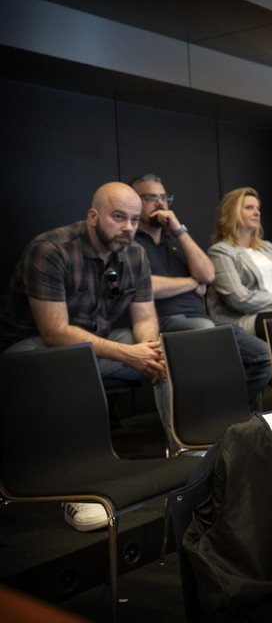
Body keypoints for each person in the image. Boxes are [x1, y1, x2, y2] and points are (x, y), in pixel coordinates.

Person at [0, 181, 167, 533]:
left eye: (135, 220)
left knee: (163, 356)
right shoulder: (50, 249)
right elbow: (55, 332)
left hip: (95, 341)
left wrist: (146, 351)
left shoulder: (134, 253)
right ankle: (76, 489)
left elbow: (145, 317)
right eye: (118, 217)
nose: (128, 228)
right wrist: (128, 354)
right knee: (69, 364)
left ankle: (185, 451)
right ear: (93, 216)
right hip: (28, 350)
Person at [130, 174, 272, 407]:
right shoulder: (131, 241)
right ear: (135, 201)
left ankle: (223, 413)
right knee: (204, 330)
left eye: (164, 197)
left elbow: (208, 275)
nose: (160, 203)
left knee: (263, 356)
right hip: (163, 320)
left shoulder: (175, 239)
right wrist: (191, 283)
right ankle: (204, 422)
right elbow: (145, 285)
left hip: (202, 319)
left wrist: (177, 228)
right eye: (151, 197)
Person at [206, 187, 272, 340]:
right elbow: (238, 298)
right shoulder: (220, 251)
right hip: (246, 318)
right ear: (231, 213)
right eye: (249, 208)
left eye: (258, 208)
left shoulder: (266, 247)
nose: (257, 212)